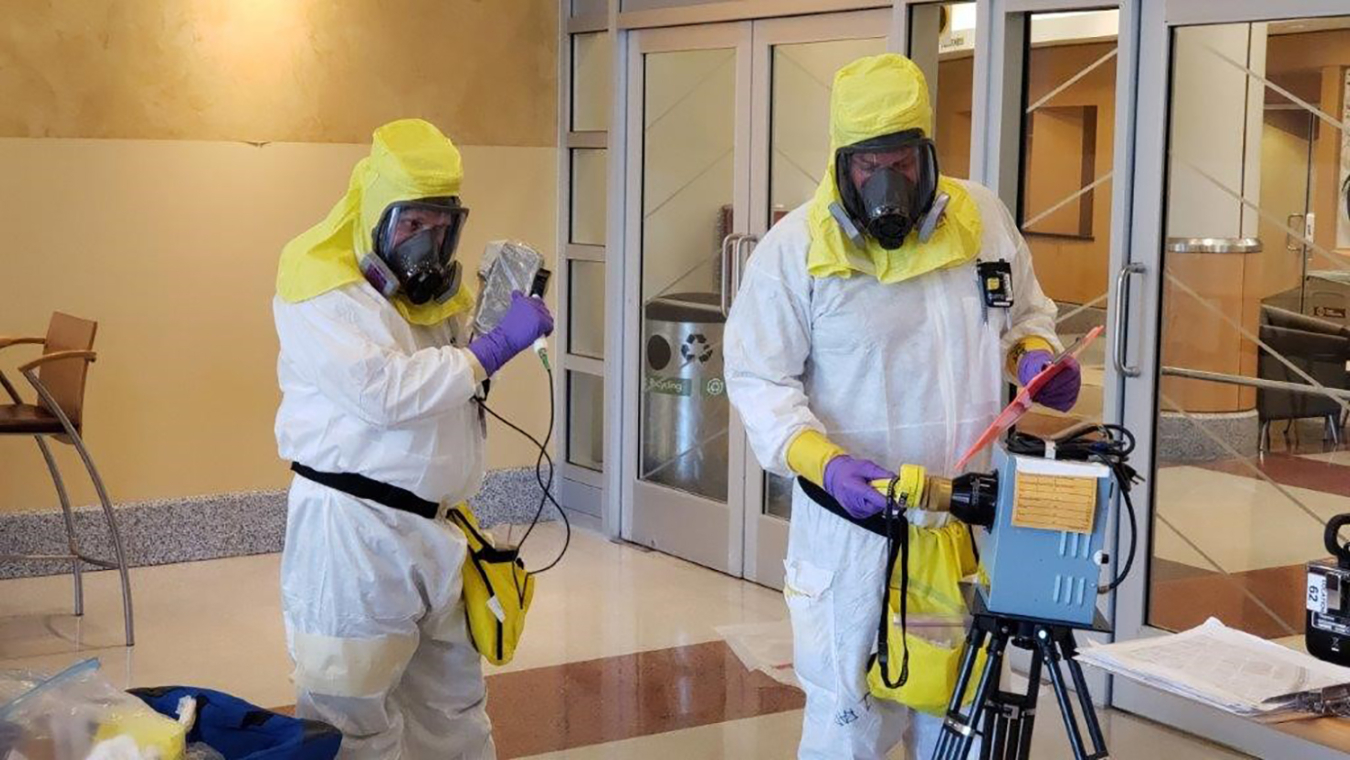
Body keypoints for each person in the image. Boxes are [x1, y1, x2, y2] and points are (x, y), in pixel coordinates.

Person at [723, 54, 1080, 759]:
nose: (887, 183)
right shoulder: (796, 249)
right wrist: (820, 463)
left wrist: (1032, 355)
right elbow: (758, 379)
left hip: (959, 534)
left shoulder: (980, 222)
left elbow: (1025, 313)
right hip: (856, 538)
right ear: (842, 162)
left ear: (928, 154)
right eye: (868, 165)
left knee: (961, 716)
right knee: (849, 723)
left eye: (904, 162)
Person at [271, 118, 553, 760]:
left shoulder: (431, 297)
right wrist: (492, 347)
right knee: (351, 717)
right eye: (411, 225)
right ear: (376, 216)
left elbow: (452, 388)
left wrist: (487, 325)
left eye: (441, 226)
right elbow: (386, 393)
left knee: (451, 709)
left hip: (438, 532)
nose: (428, 243)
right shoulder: (321, 289)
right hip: (356, 536)